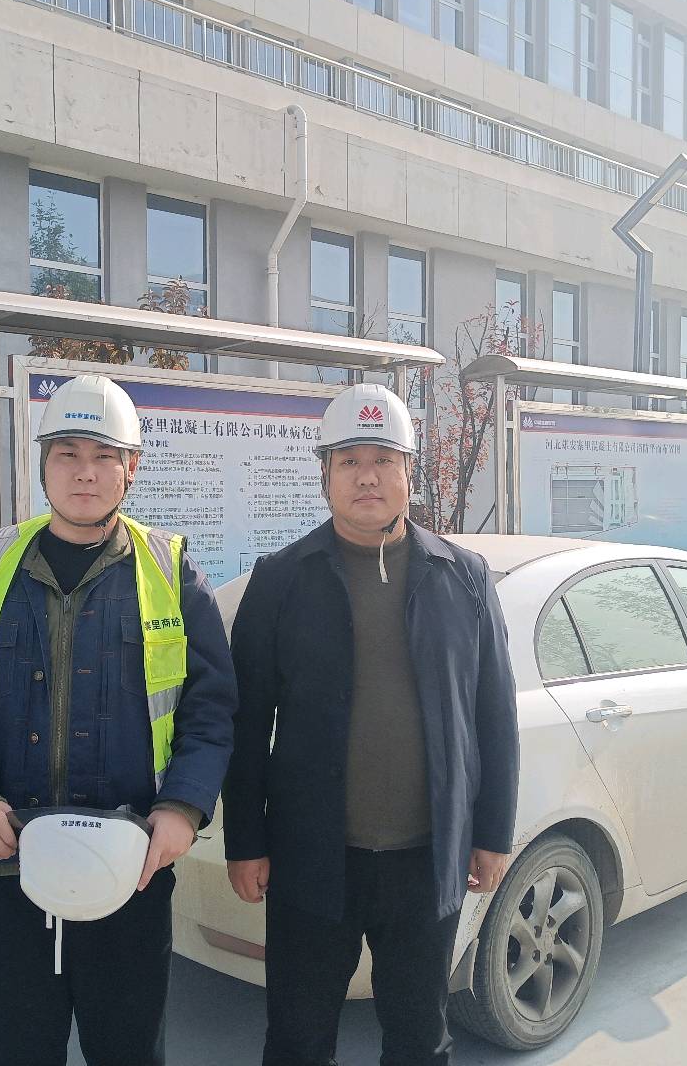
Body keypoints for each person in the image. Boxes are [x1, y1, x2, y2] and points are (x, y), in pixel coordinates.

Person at [0, 373, 236, 1066]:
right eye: (68, 454)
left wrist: (182, 808)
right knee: (21, 1047)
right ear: (43, 464)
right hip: (9, 865)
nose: (84, 473)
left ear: (131, 468)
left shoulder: (172, 575)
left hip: (131, 864)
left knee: (128, 1049)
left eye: (103, 456)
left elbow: (211, 711)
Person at [223, 382, 519, 1066]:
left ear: (408, 472)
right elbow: (247, 723)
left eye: (383, 460)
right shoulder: (281, 580)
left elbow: (493, 715)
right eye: (349, 461)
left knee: (420, 1039)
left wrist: (492, 833)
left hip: (428, 861)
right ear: (325, 474)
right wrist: (246, 840)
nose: (366, 476)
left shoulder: (463, 577)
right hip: (311, 859)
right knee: (297, 1040)